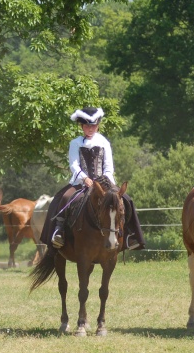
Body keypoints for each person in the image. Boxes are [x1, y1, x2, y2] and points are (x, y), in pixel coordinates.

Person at [48, 106, 145, 251]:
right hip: (81, 181)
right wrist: (84, 178)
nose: (90, 128)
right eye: (87, 125)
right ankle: (59, 231)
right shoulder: (75, 143)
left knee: (126, 199)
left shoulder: (104, 142)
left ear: (98, 125)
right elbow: (74, 164)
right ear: (82, 126)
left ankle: (130, 235)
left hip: (104, 181)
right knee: (64, 197)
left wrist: (105, 179)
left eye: (93, 125)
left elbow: (108, 166)